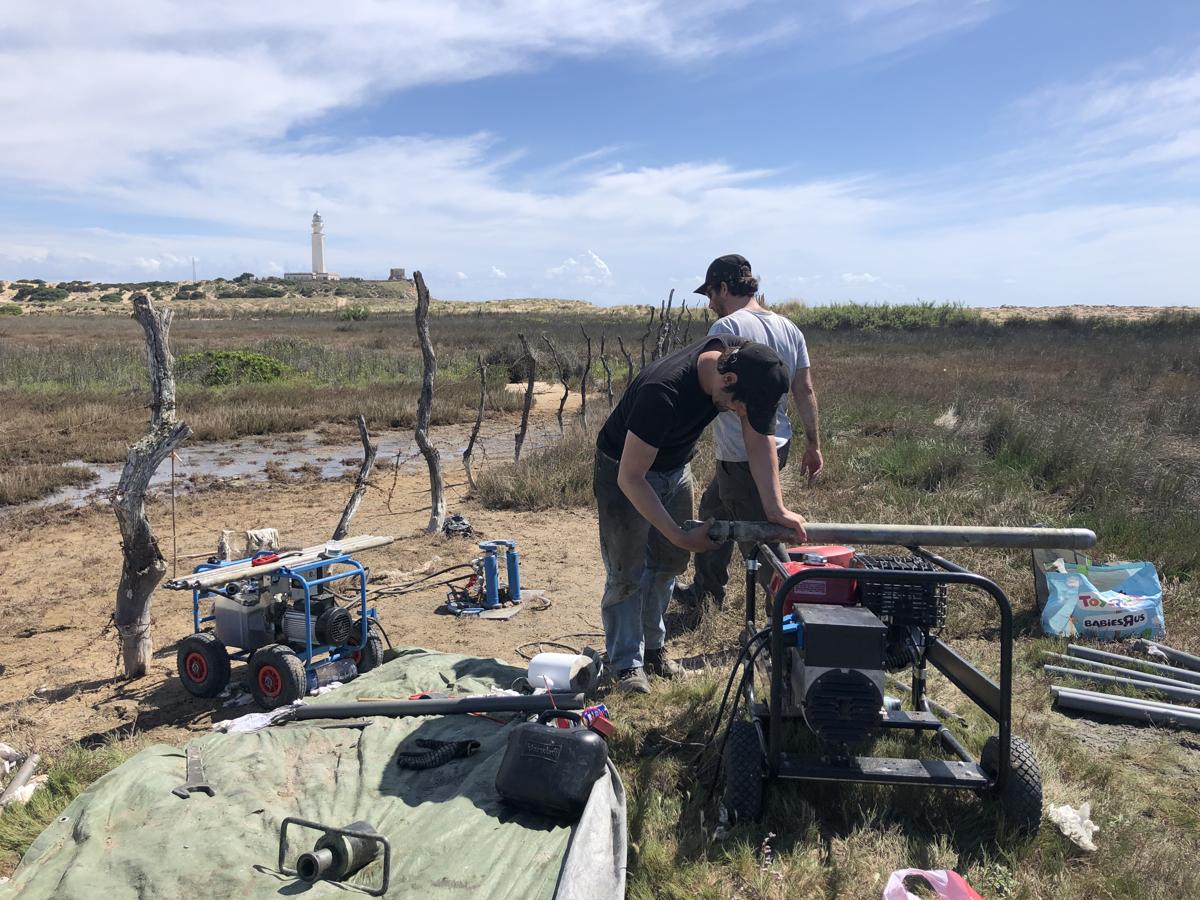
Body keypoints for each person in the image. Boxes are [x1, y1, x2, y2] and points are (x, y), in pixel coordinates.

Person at [594, 329, 808, 694]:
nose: (740, 413)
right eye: (739, 405)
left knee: (669, 564)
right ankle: (625, 665)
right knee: (627, 570)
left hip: (675, 468)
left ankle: (654, 651)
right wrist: (678, 532)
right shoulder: (662, 392)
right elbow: (631, 477)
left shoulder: (736, 366)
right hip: (624, 473)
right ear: (727, 380)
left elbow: (758, 442)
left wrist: (776, 508)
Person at [676, 254, 823, 608]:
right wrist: (813, 444)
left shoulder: (726, 330)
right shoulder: (789, 328)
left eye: (711, 293)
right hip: (779, 442)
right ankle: (706, 592)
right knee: (715, 510)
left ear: (725, 287)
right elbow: (804, 389)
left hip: (745, 451)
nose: (710, 304)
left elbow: (712, 391)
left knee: (760, 537)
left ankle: (788, 615)